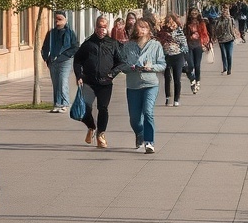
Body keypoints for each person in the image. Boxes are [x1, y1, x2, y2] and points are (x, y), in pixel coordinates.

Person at [73, 16, 126, 148]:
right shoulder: (88, 43)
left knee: (103, 108)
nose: (101, 30)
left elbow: (121, 62)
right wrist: (79, 75)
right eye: (99, 27)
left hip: (105, 83)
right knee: (86, 108)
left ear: (107, 27)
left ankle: (101, 134)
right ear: (95, 27)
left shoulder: (112, 43)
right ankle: (91, 126)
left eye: (104, 27)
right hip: (89, 81)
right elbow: (77, 60)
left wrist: (112, 74)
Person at [122, 19, 165, 153]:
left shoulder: (155, 45)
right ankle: (139, 133)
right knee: (134, 119)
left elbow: (162, 64)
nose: (142, 30)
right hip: (133, 85)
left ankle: (149, 142)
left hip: (150, 84)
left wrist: (150, 67)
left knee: (148, 111)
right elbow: (122, 65)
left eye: (144, 28)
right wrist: (131, 67)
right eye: (139, 28)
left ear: (149, 30)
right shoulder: (128, 46)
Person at [41, 11, 79, 113]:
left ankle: (65, 104)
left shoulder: (70, 33)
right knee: (56, 83)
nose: (58, 21)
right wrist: (46, 58)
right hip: (53, 61)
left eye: (60, 19)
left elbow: (75, 47)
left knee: (63, 81)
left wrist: (65, 56)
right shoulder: (51, 33)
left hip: (65, 61)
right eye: (56, 19)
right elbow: (45, 47)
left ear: (65, 20)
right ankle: (57, 104)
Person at [157, 14, 188, 106]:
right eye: (168, 22)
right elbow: (158, 43)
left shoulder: (179, 31)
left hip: (177, 56)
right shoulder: (162, 31)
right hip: (166, 56)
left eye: (172, 21)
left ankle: (176, 99)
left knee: (177, 78)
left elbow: (184, 45)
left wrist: (173, 38)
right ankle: (168, 97)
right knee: (167, 77)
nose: (170, 24)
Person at [183, 7, 210, 94]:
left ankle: (197, 81)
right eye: (192, 13)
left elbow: (204, 34)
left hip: (198, 45)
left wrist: (205, 43)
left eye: (196, 13)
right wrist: (189, 37)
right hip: (189, 46)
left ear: (198, 14)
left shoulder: (201, 23)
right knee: (190, 65)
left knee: (197, 65)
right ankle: (192, 79)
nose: (194, 15)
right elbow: (184, 35)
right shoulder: (187, 24)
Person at [214, 7, 238, 75]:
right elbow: (216, 29)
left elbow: (233, 28)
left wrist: (235, 35)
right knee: (224, 54)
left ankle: (229, 69)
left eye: (227, 12)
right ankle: (225, 68)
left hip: (230, 39)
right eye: (224, 12)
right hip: (221, 40)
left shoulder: (231, 19)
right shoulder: (219, 20)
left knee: (229, 55)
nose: (225, 14)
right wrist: (215, 37)